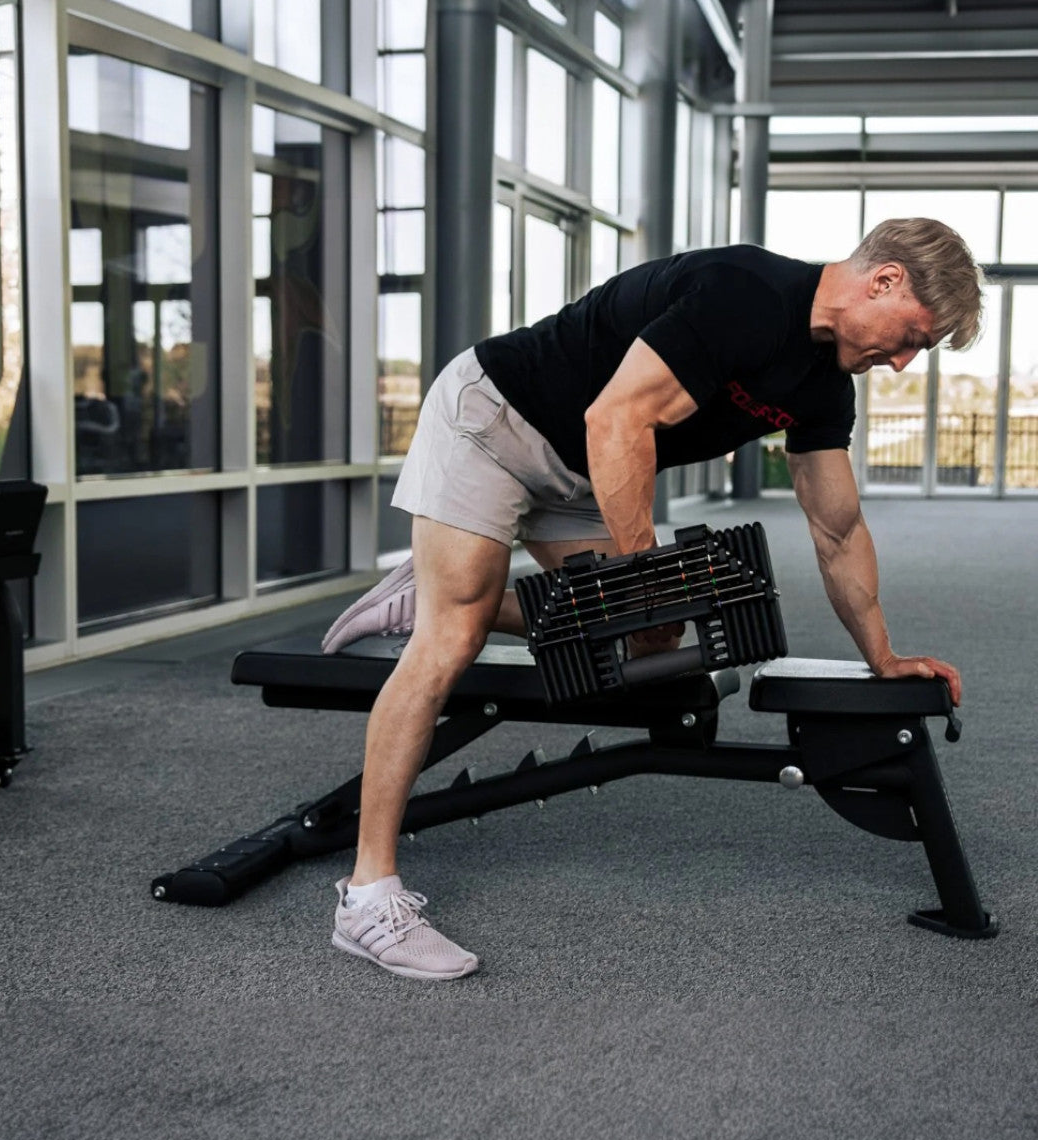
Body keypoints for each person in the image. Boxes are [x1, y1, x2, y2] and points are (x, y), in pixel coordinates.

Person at [322, 217, 983, 982]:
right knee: (454, 638)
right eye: (910, 338)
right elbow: (618, 419)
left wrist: (883, 656)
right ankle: (367, 896)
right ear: (885, 280)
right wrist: (646, 584)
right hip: (497, 418)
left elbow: (836, 530)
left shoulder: (824, 386)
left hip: (582, 468)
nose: (901, 362)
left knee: (653, 646)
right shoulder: (745, 294)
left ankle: (434, 590)